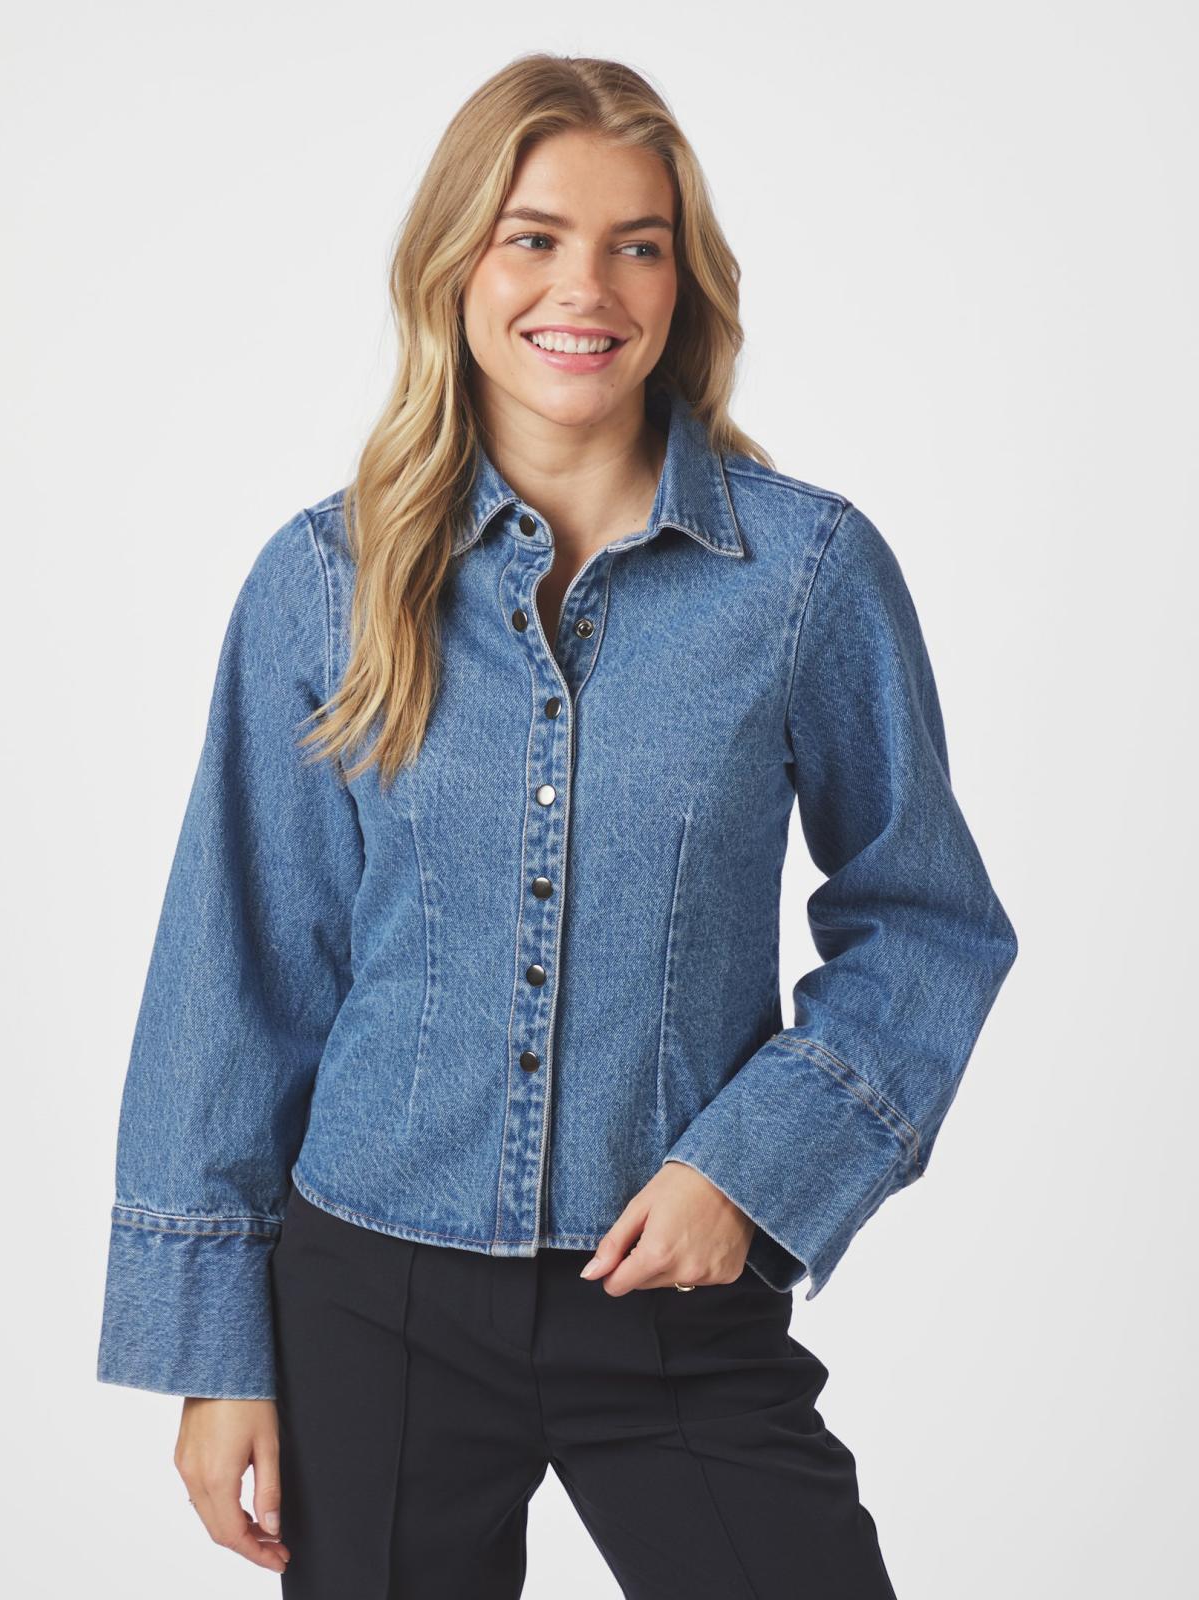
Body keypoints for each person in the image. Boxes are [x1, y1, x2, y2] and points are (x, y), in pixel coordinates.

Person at [96, 52, 1018, 1598]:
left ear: (681, 281)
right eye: (533, 236)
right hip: (369, 1297)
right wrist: (212, 1351)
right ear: (456, 264)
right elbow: (239, 969)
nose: (583, 287)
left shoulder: (804, 578)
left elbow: (926, 920)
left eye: (635, 244)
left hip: (672, 1287)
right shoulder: (325, 583)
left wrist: (754, 1169)